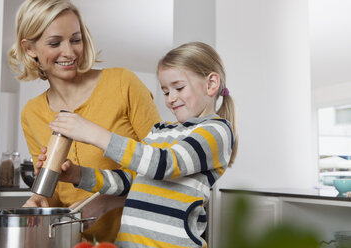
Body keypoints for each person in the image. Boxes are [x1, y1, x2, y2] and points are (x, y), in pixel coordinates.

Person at [39, 41, 238, 247]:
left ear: (211, 84)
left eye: (178, 87)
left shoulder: (216, 131)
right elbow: (128, 180)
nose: (171, 99)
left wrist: (95, 134)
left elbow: (164, 165)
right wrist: (78, 175)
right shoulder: (160, 131)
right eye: (166, 91)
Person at [8, 0, 161, 243]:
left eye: (76, 39)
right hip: (79, 242)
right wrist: (41, 201)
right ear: (30, 49)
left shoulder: (123, 84)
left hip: (141, 239)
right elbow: (57, 195)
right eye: (55, 43)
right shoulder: (32, 113)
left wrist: (106, 202)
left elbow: (165, 171)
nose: (69, 52)